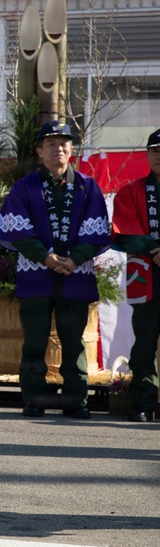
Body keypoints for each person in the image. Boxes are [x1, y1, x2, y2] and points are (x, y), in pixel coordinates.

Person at [0, 120, 110, 419]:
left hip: (77, 274)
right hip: (36, 274)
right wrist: (46, 258)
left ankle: (75, 399)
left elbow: (96, 228)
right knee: (34, 340)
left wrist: (74, 259)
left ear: (71, 149)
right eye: (50, 143)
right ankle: (34, 397)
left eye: (63, 143)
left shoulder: (88, 186)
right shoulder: (25, 186)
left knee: (74, 341)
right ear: (39, 151)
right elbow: (17, 227)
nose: (58, 148)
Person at [111, 127, 160, 422]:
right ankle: (143, 402)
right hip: (146, 276)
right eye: (155, 151)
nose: (159, 156)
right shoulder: (131, 191)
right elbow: (122, 233)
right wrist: (156, 249)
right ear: (147, 155)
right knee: (143, 343)